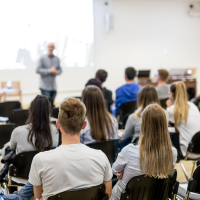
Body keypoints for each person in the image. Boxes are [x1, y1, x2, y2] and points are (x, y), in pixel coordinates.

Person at [20, 98, 112, 200]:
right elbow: (107, 195)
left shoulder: (40, 160)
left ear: (58, 124)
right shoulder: (101, 157)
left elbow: (37, 197)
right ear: (84, 125)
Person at [111, 104, 177, 200]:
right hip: (155, 195)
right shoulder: (173, 153)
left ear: (144, 124)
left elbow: (115, 170)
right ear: (164, 125)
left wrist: (124, 171)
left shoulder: (129, 151)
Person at [6, 95, 59, 184]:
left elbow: (11, 149)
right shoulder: (55, 131)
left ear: (30, 111)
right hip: (46, 177)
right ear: (49, 113)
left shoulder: (18, 131)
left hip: (21, 178)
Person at [166, 81, 200, 156]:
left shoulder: (172, 109)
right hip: (198, 148)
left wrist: (168, 107)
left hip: (186, 150)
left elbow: (165, 123)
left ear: (171, 94)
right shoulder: (192, 105)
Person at [36, 43, 62, 108]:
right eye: (49, 47)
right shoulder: (42, 58)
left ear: (54, 48)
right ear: (47, 48)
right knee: (46, 106)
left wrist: (55, 72)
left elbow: (60, 71)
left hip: (53, 87)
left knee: (52, 105)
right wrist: (49, 71)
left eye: (52, 47)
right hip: (45, 87)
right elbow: (38, 70)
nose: (51, 48)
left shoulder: (57, 59)